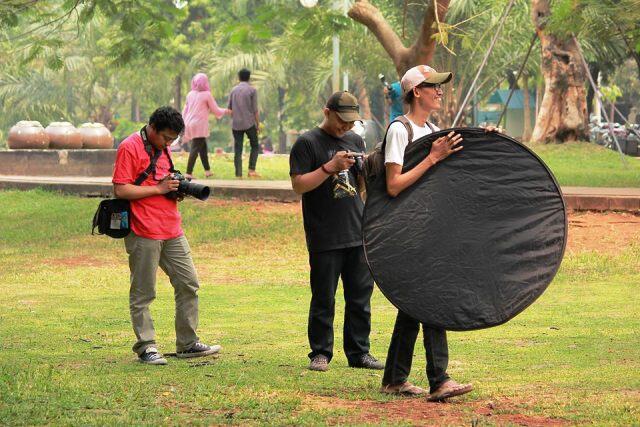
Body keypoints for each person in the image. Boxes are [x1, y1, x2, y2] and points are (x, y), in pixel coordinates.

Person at [380, 65, 473, 400]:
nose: (440, 91)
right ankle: (440, 379)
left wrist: (488, 141)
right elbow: (393, 186)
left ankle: (394, 378)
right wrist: (432, 158)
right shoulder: (400, 130)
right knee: (433, 298)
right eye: (433, 86)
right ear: (416, 91)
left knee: (413, 304)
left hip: (431, 229)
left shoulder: (433, 129)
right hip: (407, 230)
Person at [112, 106, 220, 365]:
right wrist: (159, 189)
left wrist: (172, 190)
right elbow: (121, 189)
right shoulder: (130, 146)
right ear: (152, 128)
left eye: (173, 139)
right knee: (143, 292)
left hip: (172, 228)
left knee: (188, 283)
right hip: (143, 230)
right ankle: (146, 346)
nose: (169, 143)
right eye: (166, 138)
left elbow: (159, 182)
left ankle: (187, 343)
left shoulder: (164, 149)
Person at [289, 91, 384, 372]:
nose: (346, 127)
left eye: (351, 122)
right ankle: (320, 353)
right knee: (323, 298)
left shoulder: (355, 139)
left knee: (360, 297)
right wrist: (330, 167)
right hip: (325, 235)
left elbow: (361, 187)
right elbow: (299, 185)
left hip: (357, 230)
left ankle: (359, 353)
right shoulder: (307, 143)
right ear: (326, 111)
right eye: (342, 121)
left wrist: (366, 169)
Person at [182, 73, 231, 180]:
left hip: (189, 123)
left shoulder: (190, 94)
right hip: (199, 124)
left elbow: (184, 110)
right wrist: (227, 111)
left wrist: (183, 122)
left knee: (202, 146)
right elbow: (216, 110)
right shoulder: (207, 94)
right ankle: (188, 173)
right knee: (195, 148)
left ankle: (207, 171)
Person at [228, 68, 260, 178]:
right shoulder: (252, 90)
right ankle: (251, 170)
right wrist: (258, 124)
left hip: (236, 124)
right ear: (249, 77)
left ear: (239, 77)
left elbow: (230, 108)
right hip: (249, 123)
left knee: (238, 149)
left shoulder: (233, 90)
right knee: (255, 145)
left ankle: (238, 174)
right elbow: (255, 109)